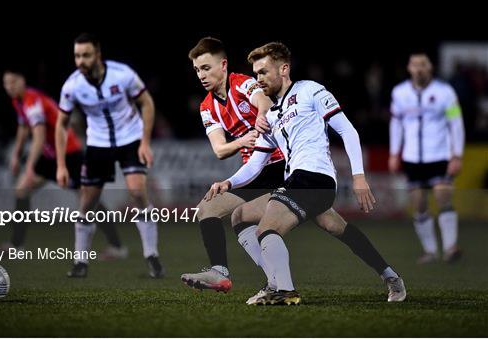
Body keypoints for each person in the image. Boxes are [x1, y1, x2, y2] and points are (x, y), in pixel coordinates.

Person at [205, 42, 406, 305]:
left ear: (284, 69)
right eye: (255, 74)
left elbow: (347, 131)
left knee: (268, 227)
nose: (259, 80)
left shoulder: (310, 90)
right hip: (297, 183)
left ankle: (282, 289)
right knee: (242, 216)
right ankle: (391, 277)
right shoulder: (271, 116)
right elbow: (256, 164)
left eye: (264, 72)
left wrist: (359, 177)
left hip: (316, 179)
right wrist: (229, 182)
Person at [180, 37, 286, 293]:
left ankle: (388, 274)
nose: (201, 75)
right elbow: (219, 150)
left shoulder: (242, 83)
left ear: (223, 64)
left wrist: (261, 115)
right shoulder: (207, 107)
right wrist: (242, 141)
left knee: (333, 225)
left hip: (283, 165)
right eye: (197, 70)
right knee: (207, 209)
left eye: (206, 68)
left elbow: (264, 100)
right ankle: (221, 273)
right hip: (255, 173)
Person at [55, 33, 164, 278]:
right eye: (77, 56)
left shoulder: (122, 74)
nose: (80, 61)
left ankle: (152, 256)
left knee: (137, 192)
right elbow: (61, 124)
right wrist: (61, 165)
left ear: (98, 55)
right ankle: (80, 261)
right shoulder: (72, 86)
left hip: (130, 139)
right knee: (87, 203)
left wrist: (145, 142)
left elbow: (147, 103)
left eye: (86, 55)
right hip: (98, 144)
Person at [1, 69, 127, 261]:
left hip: (69, 154)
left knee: (88, 200)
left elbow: (39, 135)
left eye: (13, 82)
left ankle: (117, 246)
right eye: (6, 83)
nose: (10, 87)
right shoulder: (18, 101)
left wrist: (28, 168)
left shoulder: (32, 100)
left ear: (23, 81)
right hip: (49, 156)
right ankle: (16, 245)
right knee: (22, 190)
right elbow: (23, 127)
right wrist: (16, 155)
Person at [389, 52, 465, 264]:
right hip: (412, 157)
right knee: (419, 203)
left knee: (442, 196)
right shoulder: (400, 93)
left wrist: (456, 154)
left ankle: (450, 247)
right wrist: (395, 152)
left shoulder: (445, 92)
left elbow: (455, 124)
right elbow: (396, 124)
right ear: (409, 68)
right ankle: (430, 251)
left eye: (423, 64)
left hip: (439, 154)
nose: (419, 68)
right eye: (415, 65)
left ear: (430, 67)